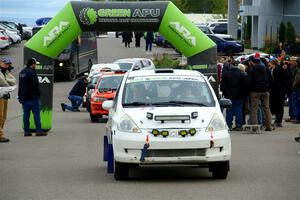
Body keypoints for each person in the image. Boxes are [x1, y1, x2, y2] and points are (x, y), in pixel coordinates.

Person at [18, 58, 47, 136]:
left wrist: (20, 96)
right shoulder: (32, 73)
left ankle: (26, 131)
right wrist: (38, 94)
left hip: (24, 98)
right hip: (33, 98)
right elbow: (35, 85)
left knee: (26, 115)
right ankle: (39, 131)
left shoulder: (22, 72)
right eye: (35, 64)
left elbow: (20, 85)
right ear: (33, 64)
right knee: (36, 114)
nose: (36, 66)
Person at [247, 53, 273, 131]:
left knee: (254, 109)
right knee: (267, 108)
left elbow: (249, 82)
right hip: (265, 90)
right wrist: (268, 88)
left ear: (253, 62)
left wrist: (250, 89)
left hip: (255, 91)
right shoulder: (266, 69)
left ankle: (255, 127)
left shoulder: (251, 70)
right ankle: (269, 126)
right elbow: (271, 79)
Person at [221, 63, 247, 131]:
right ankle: (239, 125)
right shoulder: (241, 74)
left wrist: (225, 94)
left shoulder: (226, 74)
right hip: (239, 96)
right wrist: (243, 94)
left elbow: (222, 85)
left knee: (229, 111)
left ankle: (229, 125)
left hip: (229, 96)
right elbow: (244, 86)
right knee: (239, 110)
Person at [270, 56, 293, 127]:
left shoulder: (289, 70)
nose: (286, 64)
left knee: (280, 106)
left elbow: (290, 81)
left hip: (282, 91)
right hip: (275, 91)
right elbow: (275, 79)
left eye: (287, 62)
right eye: (284, 62)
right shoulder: (278, 69)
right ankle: (276, 119)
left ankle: (279, 120)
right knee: (275, 105)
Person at [0, 58, 17, 142]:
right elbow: (3, 82)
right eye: (5, 63)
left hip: (5, 95)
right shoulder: (2, 72)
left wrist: (8, 83)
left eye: (8, 64)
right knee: (0, 116)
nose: (7, 65)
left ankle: (1, 132)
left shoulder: (6, 72)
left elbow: (14, 81)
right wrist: (8, 84)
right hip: (1, 96)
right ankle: (0, 135)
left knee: (4, 116)